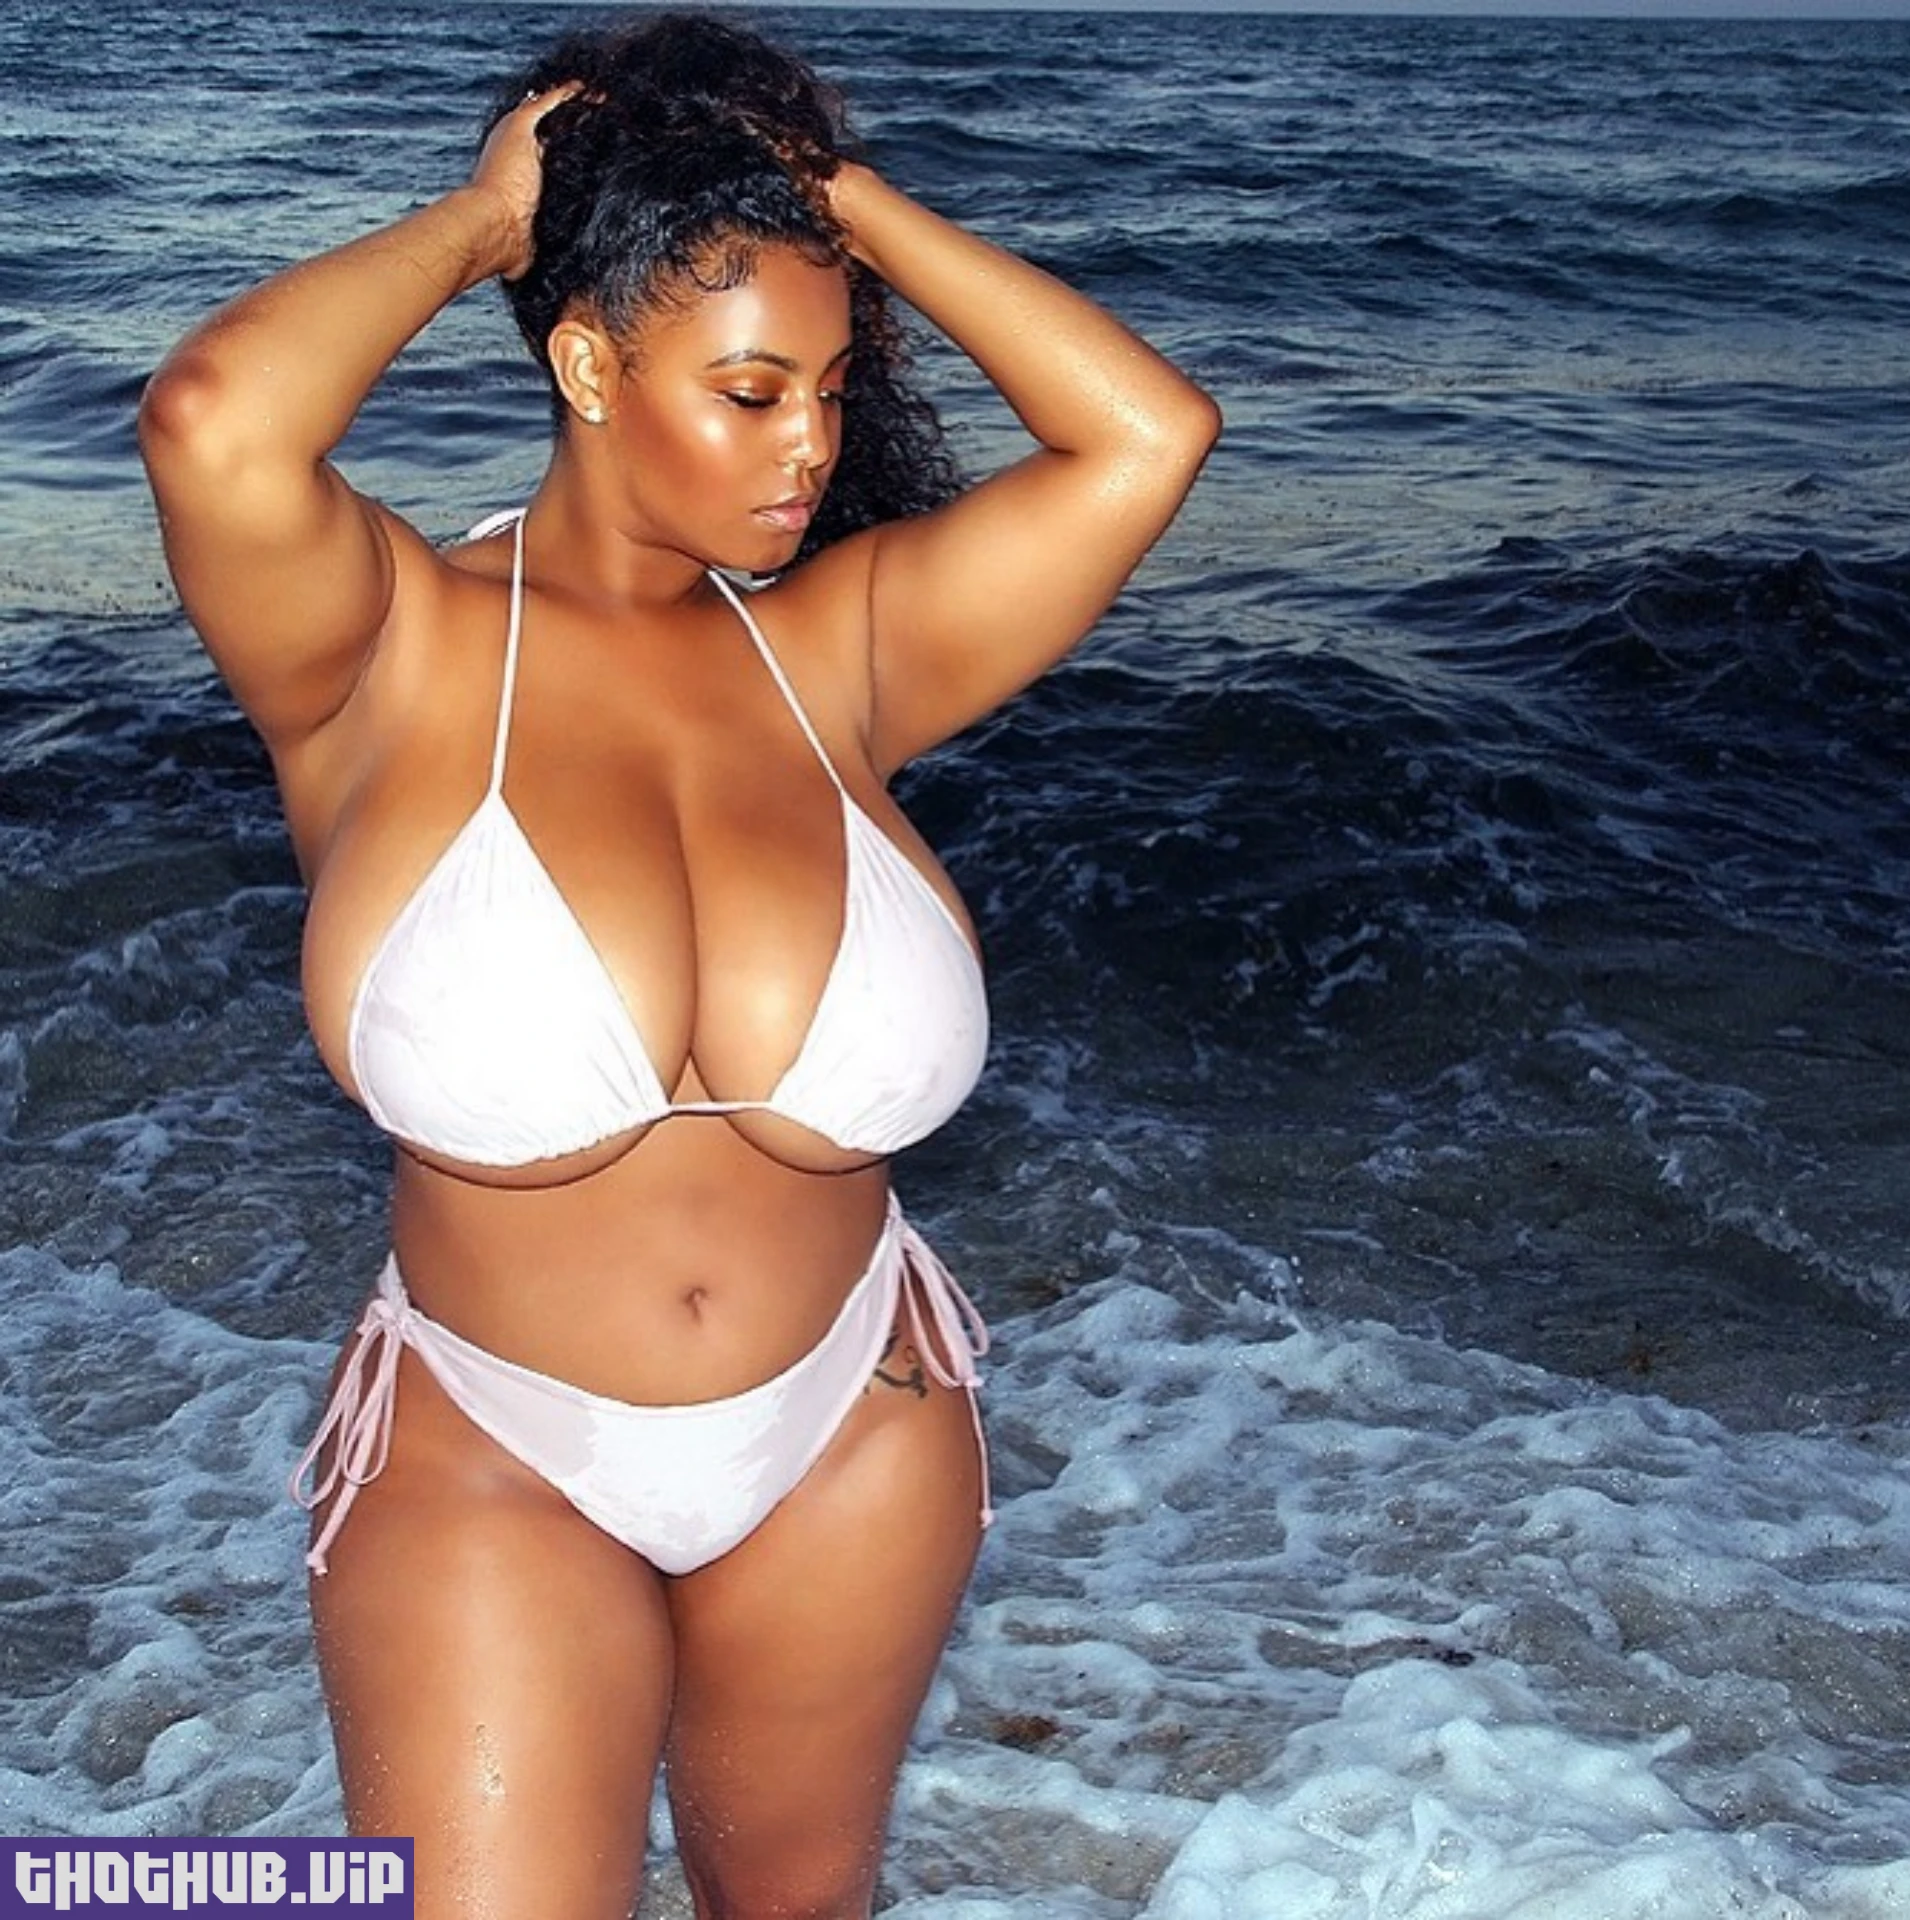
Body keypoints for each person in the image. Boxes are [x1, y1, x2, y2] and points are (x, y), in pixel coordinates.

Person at [138, 12, 1217, 1916]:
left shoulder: (842, 653)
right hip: (494, 1444)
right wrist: (489, 223)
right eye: (749, 391)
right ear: (586, 364)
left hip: (855, 1429)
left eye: (833, 387)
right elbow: (215, 418)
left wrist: (839, 204)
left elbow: (1149, 434)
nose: (811, 447)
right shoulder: (388, 646)